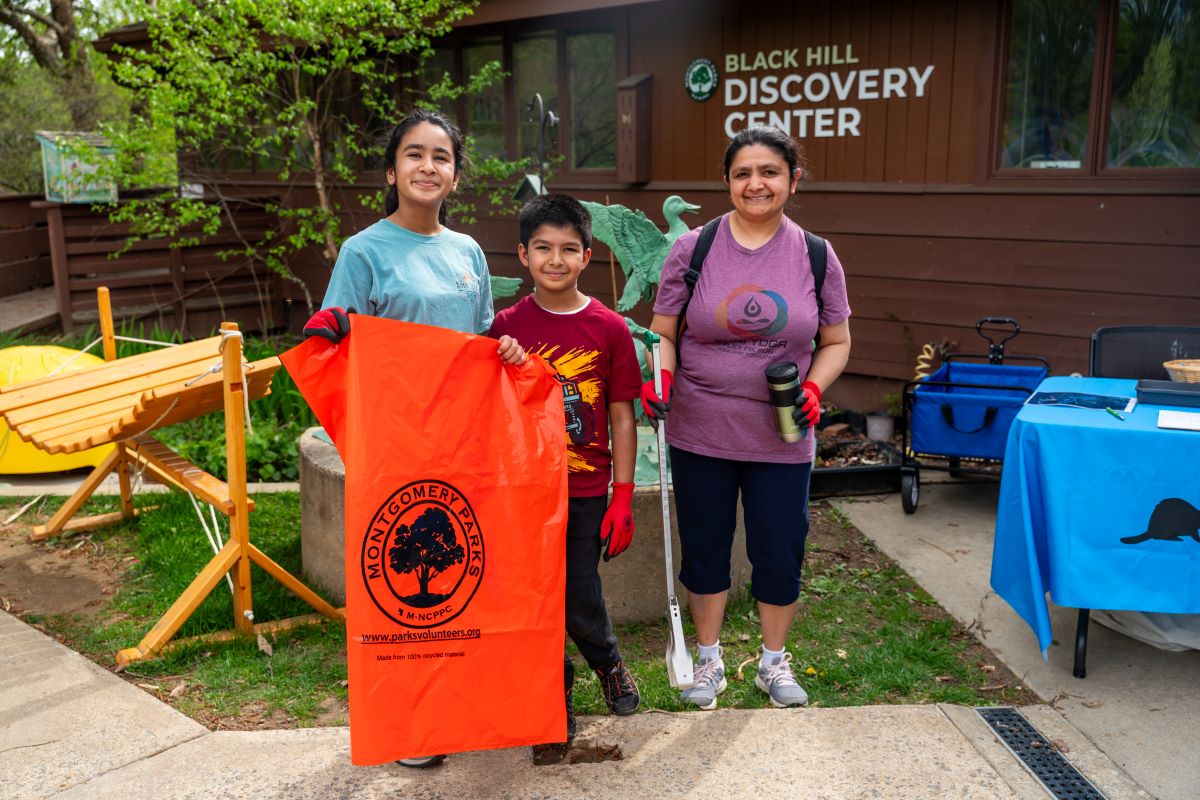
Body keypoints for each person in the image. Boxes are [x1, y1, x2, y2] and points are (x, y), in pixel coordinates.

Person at [303, 109, 524, 767]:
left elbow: (477, 340)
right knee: (403, 592)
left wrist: (503, 346)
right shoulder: (363, 251)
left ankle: (461, 705)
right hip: (397, 443)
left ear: (456, 175)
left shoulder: (468, 253)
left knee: (460, 577)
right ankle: (410, 723)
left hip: (465, 442)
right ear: (392, 169)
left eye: (441, 157)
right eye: (414, 155)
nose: (428, 167)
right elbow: (335, 343)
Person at [640, 126, 852, 710]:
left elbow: (836, 341)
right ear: (727, 182)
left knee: (780, 550)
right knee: (706, 548)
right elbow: (663, 334)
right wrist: (660, 377)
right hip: (700, 428)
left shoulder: (815, 254)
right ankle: (708, 663)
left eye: (769, 172)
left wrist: (813, 385)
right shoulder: (695, 248)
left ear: (792, 179)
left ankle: (772, 663)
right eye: (742, 174)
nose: (755, 184)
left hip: (782, 433)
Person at [490, 193, 643, 753]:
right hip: (522, 492)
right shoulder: (504, 326)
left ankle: (607, 662)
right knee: (533, 599)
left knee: (578, 594)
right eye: (544, 249)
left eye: (569, 249)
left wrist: (622, 495)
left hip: (583, 489)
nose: (556, 260)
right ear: (523, 255)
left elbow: (623, 416)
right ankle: (553, 699)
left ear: (586, 256)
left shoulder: (609, 327)